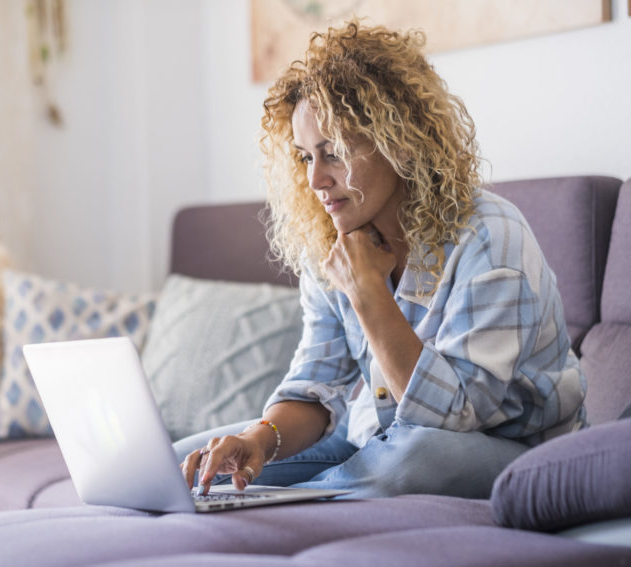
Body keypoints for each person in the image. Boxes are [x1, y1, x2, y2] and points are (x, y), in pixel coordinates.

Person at [176, 18, 587, 499]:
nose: (315, 181)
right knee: (184, 460)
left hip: (510, 450)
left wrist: (368, 293)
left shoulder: (490, 237)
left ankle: (299, 501)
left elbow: (452, 417)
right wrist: (258, 441)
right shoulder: (331, 243)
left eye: (333, 152)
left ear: (399, 143)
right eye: (306, 157)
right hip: (381, 441)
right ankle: (300, 496)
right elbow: (315, 386)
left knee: (412, 458)